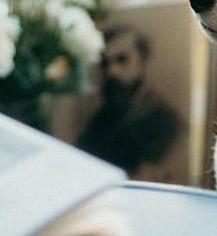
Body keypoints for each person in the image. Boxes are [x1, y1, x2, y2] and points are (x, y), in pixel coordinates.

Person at [76, 25, 184, 180]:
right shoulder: (101, 118)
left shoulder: (164, 119)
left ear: (142, 61)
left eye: (122, 60)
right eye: (106, 63)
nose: (112, 71)